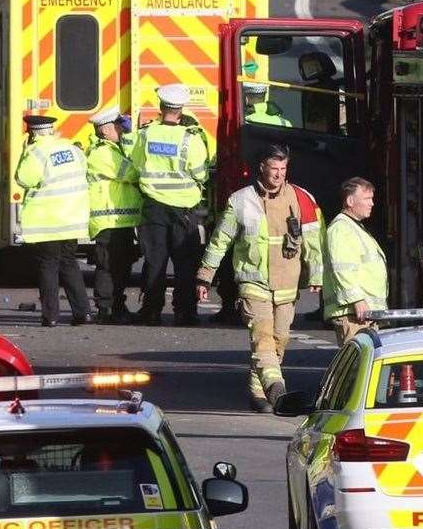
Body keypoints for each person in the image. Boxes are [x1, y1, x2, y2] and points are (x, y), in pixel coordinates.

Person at [196, 145, 323, 412]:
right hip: (254, 284)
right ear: (262, 168)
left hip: (287, 286)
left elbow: (313, 241)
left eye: (283, 169)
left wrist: (317, 274)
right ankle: (277, 389)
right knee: (262, 337)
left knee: (279, 341)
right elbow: (220, 241)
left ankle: (258, 392)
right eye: (273, 168)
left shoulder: (302, 199)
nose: (278, 174)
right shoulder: (241, 200)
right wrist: (204, 277)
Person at [132, 84, 210, 326]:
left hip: (154, 206)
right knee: (185, 264)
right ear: (181, 109)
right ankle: (184, 312)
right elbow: (200, 173)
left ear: (161, 107)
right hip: (184, 210)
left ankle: (151, 310)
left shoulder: (145, 135)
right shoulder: (190, 138)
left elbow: (136, 165)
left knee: (155, 261)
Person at [14, 114, 91, 327]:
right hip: (72, 218)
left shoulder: (36, 152)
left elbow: (23, 179)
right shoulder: (71, 148)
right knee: (69, 264)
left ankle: (51, 316)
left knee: (48, 266)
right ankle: (83, 313)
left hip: (48, 221)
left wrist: (23, 154)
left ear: (31, 132)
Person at [86, 107, 141, 325]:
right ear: (107, 130)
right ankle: (106, 309)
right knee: (108, 267)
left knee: (120, 267)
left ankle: (116, 306)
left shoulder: (113, 149)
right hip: (109, 221)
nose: (121, 130)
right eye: (118, 127)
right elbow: (131, 173)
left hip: (119, 220)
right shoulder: (103, 153)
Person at [323, 177, 388, 345]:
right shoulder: (340, 229)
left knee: (363, 367)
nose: (372, 203)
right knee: (355, 368)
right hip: (353, 314)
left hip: (363, 313)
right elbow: (342, 269)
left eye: (372, 198)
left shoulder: (354, 227)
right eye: (367, 199)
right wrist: (357, 301)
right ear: (350, 201)